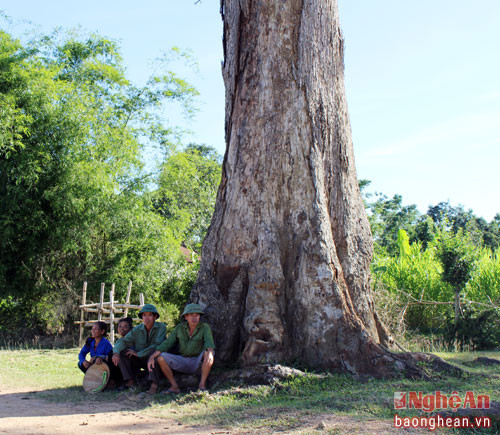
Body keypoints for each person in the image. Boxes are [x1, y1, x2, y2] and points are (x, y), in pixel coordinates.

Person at [147, 303, 215, 394]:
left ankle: (202, 386)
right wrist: (152, 356)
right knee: (161, 357)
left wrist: (210, 353)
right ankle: (174, 386)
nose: (194, 318)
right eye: (191, 315)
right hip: (182, 360)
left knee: (209, 353)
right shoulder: (179, 328)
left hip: (197, 361)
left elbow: (209, 343)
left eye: (197, 315)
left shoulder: (204, 327)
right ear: (186, 317)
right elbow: (167, 343)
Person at [112, 304, 166, 391]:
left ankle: (154, 384)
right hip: (139, 359)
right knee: (122, 353)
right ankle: (130, 381)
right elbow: (124, 341)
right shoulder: (137, 329)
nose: (147, 318)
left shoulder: (161, 327)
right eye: (144, 315)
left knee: (154, 354)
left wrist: (138, 353)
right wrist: (116, 352)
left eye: (150, 315)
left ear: (155, 316)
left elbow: (158, 345)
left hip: (152, 359)